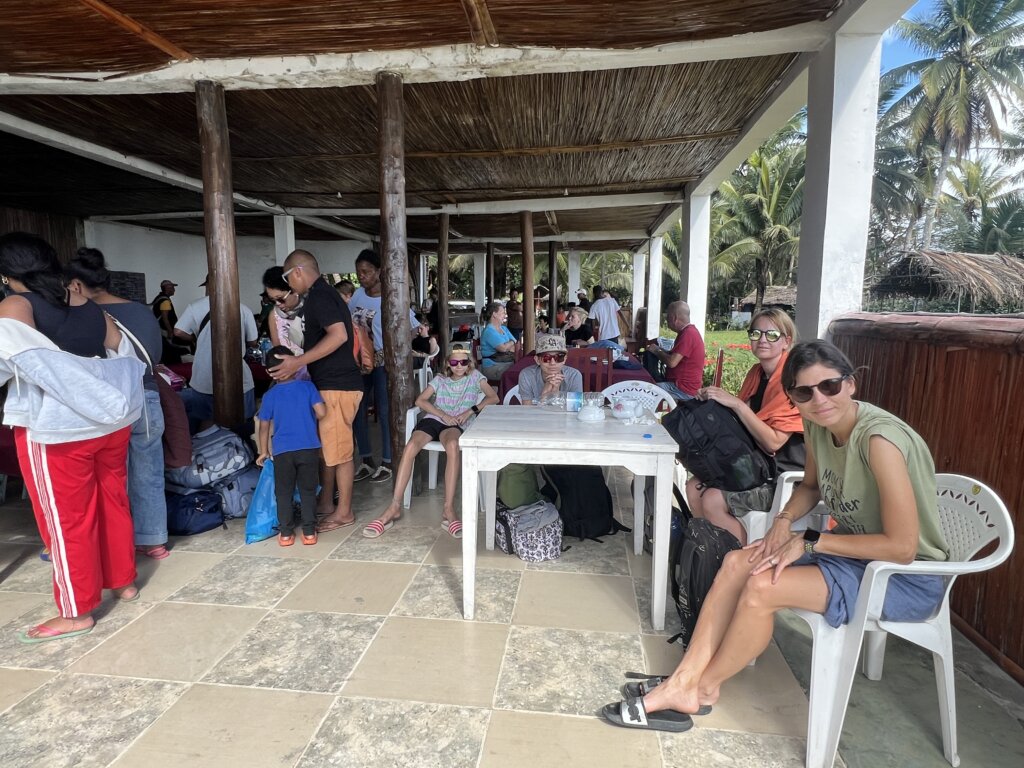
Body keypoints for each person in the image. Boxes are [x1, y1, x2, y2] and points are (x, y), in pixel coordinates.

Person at [601, 339, 950, 733]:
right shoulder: (820, 426)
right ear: (793, 398)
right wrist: (784, 521)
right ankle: (687, 679)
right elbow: (811, 487)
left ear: (851, 384)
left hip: (903, 576)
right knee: (736, 562)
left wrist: (811, 539)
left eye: (830, 386)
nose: (819, 399)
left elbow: (902, 548)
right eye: (804, 392)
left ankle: (700, 688)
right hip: (854, 556)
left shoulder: (878, 441)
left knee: (762, 587)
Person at [0, 232, 143, 643]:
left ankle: (76, 610)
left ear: (9, 275)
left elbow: (25, 361)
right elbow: (120, 353)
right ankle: (123, 581)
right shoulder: (85, 303)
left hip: (58, 428)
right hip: (111, 425)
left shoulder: (15, 305)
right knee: (113, 501)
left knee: (67, 520)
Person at [66, 248, 170, 560]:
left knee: (112, 477)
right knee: (149, 471)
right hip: (149, 397)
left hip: (110, 404)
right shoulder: (141, 311)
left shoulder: (81, 316)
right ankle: (153, 539)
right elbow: (156, 357)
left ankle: (117, 544)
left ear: (75, 285)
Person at [685, 309, 804, 544]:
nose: (762, 340)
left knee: (712, 499)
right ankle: (711, 553)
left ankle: (743, 562)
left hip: (785, 479)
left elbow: (773, 442)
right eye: (756, 333)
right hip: (757, 467)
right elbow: (739, 424)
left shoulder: (793, 381)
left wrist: (737, 405)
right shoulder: (757, 374)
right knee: (693, 485)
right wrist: (714, 401)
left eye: (771, 335)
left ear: (786, 341)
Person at [270, 249, 364, 533]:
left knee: (341, 451)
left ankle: (344, 511)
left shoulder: (321, 296)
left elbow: (339, 335)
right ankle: (326, 502)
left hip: (338, 385)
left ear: (297, 272)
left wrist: (297, 362)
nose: (289, 286)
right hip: (332, 384)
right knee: (330, 449)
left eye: (288, 279)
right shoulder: (321, 294)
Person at [362, 344, 497, 539]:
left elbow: (493, 397)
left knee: (452, 446)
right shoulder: (441, 379)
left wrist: (470, 411)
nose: (459, 366)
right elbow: (420, 401)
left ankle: (448, 509)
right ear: (448, 364)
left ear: (469, 363)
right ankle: (394, 506)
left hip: (456, 423)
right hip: (435, 419)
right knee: (410, 447)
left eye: (463, 362)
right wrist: (442, 414)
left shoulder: (476, 377)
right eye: (454, 362)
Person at [348, 249, 420, 483]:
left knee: (385, 410)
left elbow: (414, 328)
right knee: (357, 410)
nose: (362, 276)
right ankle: (366, 460)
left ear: (379, 272)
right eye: (359, 272)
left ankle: (388, 461)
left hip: (383, 362)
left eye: (366, 272)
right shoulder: (357, 296)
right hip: (359, 362)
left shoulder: (391, 298)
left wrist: (394, 349)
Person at [256, 346, 326, 547]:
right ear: (293, 365)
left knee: (284, 492)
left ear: (269, 372)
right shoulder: (308, 387)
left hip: (282, 452)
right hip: (308, 448)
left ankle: (286, 534)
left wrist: (263, 451)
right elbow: (321, 413)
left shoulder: (270, 396)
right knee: (308, 490)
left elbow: (263, 426)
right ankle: (309, 532)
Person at [173, 274, 259, 434]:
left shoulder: (195, 306)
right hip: (239, 379)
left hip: (203, 378)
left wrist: (194, 337)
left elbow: (178, 331)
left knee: (205, 422)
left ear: (208, 285)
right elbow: (253, 341)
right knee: (242, 422)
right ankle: (240, 453)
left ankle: (209, 454)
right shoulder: (243, 308)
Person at [646, 301, 705, 401]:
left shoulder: (688, 334)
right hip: (679, 385)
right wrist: (659, 349)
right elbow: (675, 355)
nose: (666, 320)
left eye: (667, 317)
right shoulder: (687, 332)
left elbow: (672, 362)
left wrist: (656, 351)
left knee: (644, 389)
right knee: (647, 384)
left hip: (682, 389)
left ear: (674, 318)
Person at [261, 266, 308, 379]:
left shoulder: (310, 309)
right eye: (273, 300)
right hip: (288, 376)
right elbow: (278, 350)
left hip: (314, 374)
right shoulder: (274, 315)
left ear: (294, 290)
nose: (278, 304)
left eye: (281, 299)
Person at [518, 334, 583, 405]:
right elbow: (527, 410)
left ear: (564, 359)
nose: (552, 363)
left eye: (559, 357)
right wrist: (544, 396)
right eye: (546, 358)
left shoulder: (574, 376)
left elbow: (575, 408)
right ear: (537, 360)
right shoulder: (526, 375)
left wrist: (555, 394)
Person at [479, 301, 516, 383]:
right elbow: (502, 348)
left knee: (524, 371)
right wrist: (510, 344)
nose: (505, 315)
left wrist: (508, 345)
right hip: (493, 367)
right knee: (519, 374)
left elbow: (515, 343)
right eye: (502, 313)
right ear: (494, 314)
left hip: (505, 364)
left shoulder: (504, 328)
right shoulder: (489, 331)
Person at [151, 278, 186, 364]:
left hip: (160, 330)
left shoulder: (159, 298)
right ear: (167, 288)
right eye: (172, 287)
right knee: (170, 351)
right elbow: (165, 318)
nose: (174, 289)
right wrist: (170, 331)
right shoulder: (165, 301)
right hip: (165, 331)